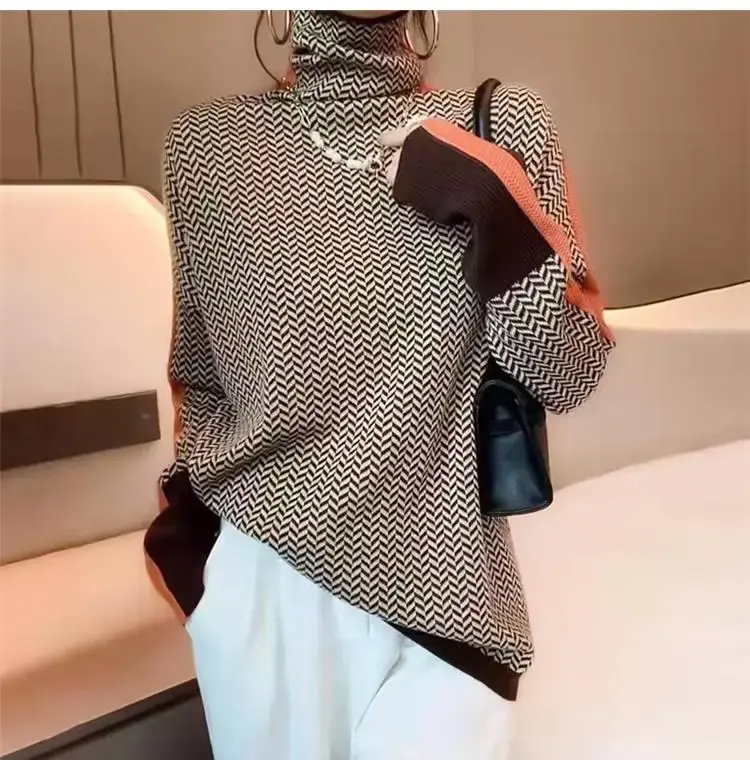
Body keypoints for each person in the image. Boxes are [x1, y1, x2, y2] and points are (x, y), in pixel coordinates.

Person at [144, 10, 614, 760]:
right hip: (264, 601)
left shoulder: (501, 126)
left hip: (451, 617)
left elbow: (572, 370)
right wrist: (203, 575)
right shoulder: (205, 148)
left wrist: (491, 203)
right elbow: (198, 378)